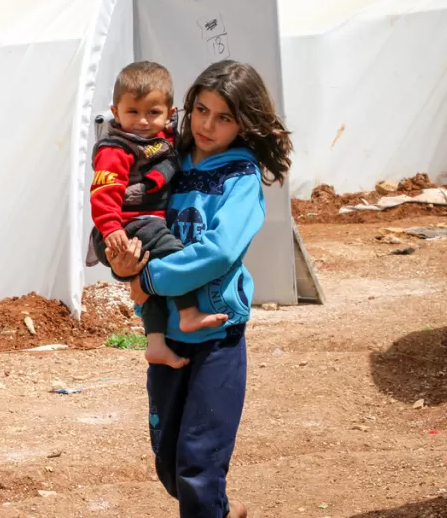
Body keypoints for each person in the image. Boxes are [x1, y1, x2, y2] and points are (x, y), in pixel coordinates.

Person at [108, 60, 293, 518]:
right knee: (170, 462)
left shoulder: (241, 179)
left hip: (216, 333)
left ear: (244, 123)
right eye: (202, 110)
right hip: (168, 333)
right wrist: (124, 263)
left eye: (224, 117)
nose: (208, 125)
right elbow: (136, 228)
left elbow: (218, 252)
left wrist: (148, 280)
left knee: (198, 463)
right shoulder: (166, 162)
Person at [88, 61, 228, 369]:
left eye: (152, 113)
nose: (141, 122)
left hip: (139, 226)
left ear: (169, 113)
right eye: (132, 112)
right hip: (123, 226)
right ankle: (188, 313)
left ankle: (155, 344)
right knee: (173, 251)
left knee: (151, 285)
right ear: (115, 111)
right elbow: (103, 191)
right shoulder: (117, 148)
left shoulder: (163, 141)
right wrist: (111, 227)